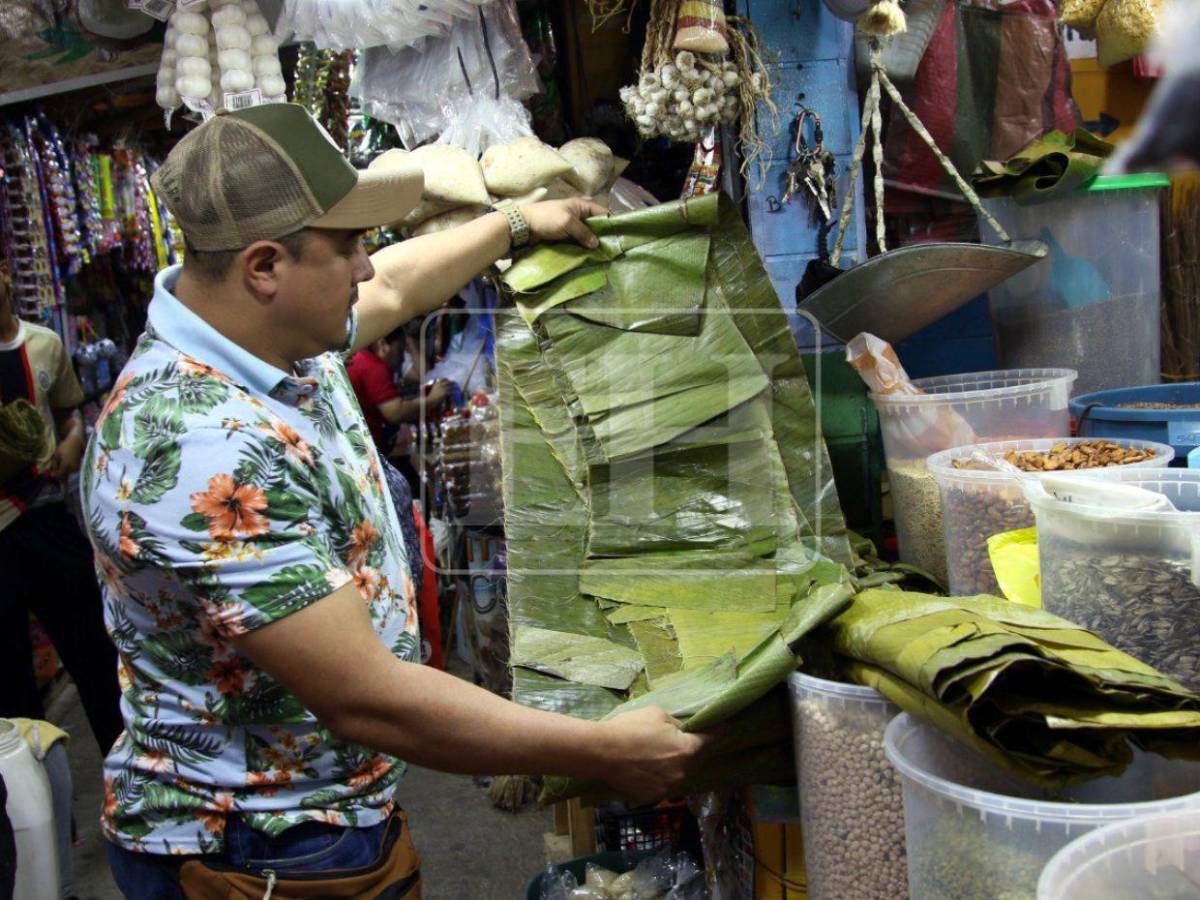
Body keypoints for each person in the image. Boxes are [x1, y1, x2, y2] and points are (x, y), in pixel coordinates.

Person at [81, 103, 704, 898]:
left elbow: (400, 283)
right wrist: (600, 749)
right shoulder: (199, 444)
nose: (368, 266)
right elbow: (369, 701)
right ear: (264, 267)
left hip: (313, 821)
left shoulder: (258, 338)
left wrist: (516, 221)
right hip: (259, 844)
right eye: (348, 248)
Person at [0, 263, 122, 756]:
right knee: (9, 682)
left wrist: (73, 440)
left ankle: (125, 769)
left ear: (7, 273)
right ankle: (38, 805)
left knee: (94, 653)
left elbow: (70, 410)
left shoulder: (43, 344)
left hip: (47, 516)